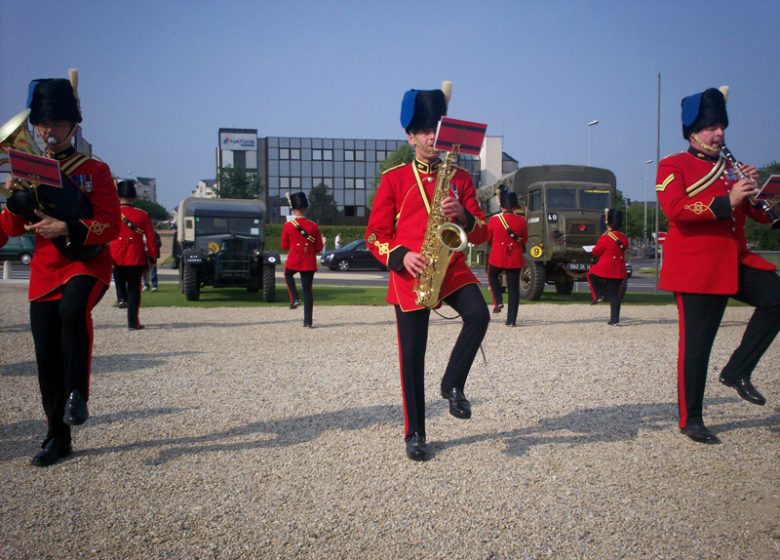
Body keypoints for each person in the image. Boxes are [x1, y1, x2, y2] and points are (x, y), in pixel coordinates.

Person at [0, 73, 120, 466]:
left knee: (72, 310)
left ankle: (78, 393)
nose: (49, 132)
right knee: (46, 353)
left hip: (86, 262)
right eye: (43, 125)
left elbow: (111, 225)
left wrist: (67, 227)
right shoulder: (27, 169)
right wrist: (14, 198)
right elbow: (13, 228)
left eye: (57, 124)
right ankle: (57, 435)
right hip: (46, 269)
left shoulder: (95, 170)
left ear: (73, 125)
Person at [365, 82, 489, 461]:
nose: (431, 137)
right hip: (411, 276)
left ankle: (452, 383)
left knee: (479, 314)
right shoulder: (394, 179)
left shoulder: (461, 178)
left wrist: (463, 215)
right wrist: (400, 256)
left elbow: (482, 232)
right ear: (410, 136)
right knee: (412, 357)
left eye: (435, 129)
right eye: (423, 131)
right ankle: (416, 433)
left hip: (450, 268)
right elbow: (374, 235)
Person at [656, 85, 780, 444]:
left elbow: (757, 215)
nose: (719, 133)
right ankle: (691, 418)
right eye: (711, 127)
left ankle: (737, 370)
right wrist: (729, 199)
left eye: (721, 126)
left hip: (734, 259)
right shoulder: (673, 165)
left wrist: (757, 193)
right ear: (693, 132)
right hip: (697, 269)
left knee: (776, 298)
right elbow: (676, 210)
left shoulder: (730, 169)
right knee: (697, 346)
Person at [110, 180, 158, 330]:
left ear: (118, 197)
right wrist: (152, 256)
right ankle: (132, 322)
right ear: (134, 197)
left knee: (118, 279)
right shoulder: (142, 215)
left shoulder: (112, 213)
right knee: (134, 290)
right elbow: (150, 238)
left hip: (116, 254)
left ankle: (121, 298)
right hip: (135, 256)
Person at [281, 191, 323, 327]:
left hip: (294, 258)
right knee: (308, 291)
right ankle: (308, 322)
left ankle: (294, 297)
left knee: (288, 274)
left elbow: (284, 246)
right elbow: (319, 247)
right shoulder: (313, 226)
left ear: (293, 209)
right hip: (308, 260)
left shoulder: (288, 225)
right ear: (306, 208)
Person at [486, 190, 527, 326]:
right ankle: (511, 320)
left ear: (502, 205)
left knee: (492, 275)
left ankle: (498, 300)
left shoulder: (494, 220)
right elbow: (523, 240)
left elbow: (488, 238)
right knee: (513, 289)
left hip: (498, 256)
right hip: (514, 257)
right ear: (514, 206)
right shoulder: (522, 221)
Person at [587, 209, 629, 325]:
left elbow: (596, 251)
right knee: (614, 294)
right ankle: (614, 320)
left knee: (591, 274)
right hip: (619, 269)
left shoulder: (606, 237)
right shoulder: (624, 237)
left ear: (609, 223)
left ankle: (598, 295)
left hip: (606, 267)